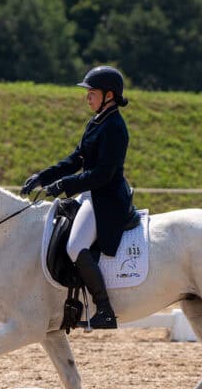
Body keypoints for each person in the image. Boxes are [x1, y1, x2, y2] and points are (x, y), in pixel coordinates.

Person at [21, 65, 134, 329]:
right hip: (91, 193)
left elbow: (103, 174)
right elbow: (76, 159)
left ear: (109, 95)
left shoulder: (115, 127)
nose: (87, 97)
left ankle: (104, 309)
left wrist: (64, 184)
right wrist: (43, 177)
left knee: (75, 246)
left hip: (106, 198)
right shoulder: (97, 122)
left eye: (92, 93)